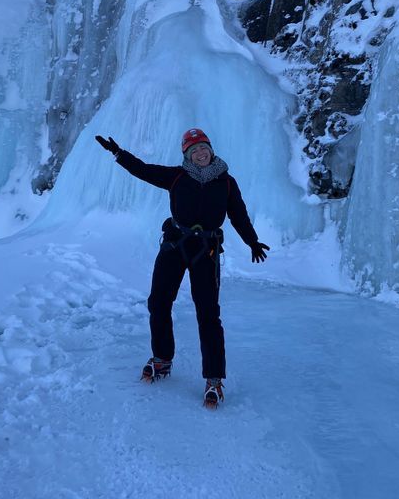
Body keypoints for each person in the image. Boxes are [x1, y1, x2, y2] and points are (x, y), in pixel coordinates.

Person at [95, 128, 270, 409]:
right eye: (194, 150)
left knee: (208, 314)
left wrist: (252, 241)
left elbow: (238, 215)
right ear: (187, 155)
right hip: (175, 246)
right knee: (159, 302)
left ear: (211, 150)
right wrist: (118, 154)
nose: (201, 153)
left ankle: (214, 378)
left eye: (204, 148)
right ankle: (162, 358)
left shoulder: (226, 183)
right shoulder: (176, 176)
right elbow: (143, 170)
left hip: (206, 251)